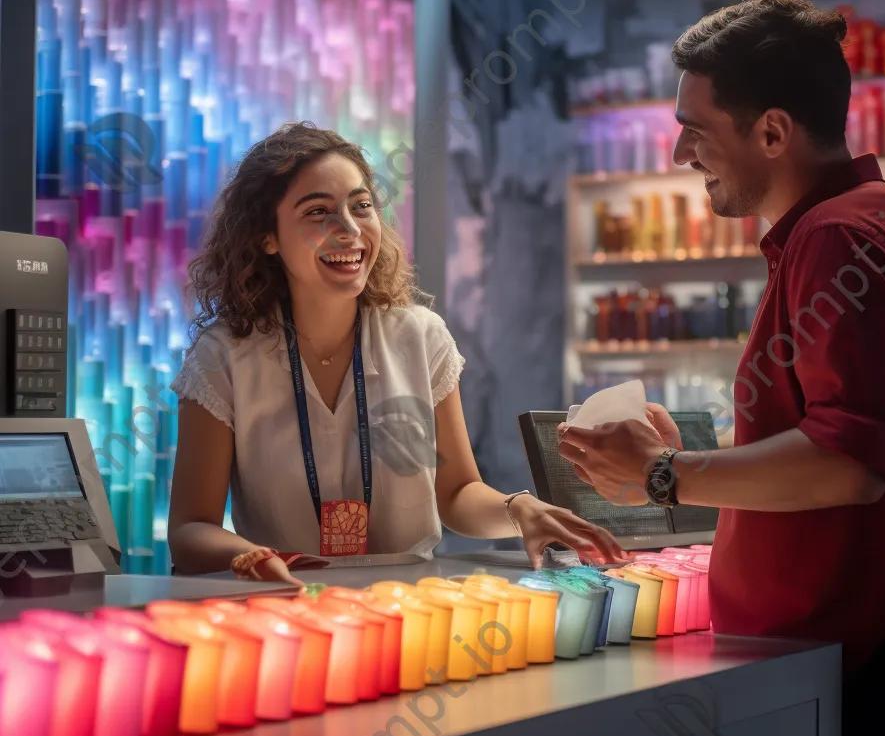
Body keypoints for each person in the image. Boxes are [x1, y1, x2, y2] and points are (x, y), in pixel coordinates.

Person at [558, 0, 885, 736]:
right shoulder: (865, 223)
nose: (679, 151)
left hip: (854, 671)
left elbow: (850, 462)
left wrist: (667, 473)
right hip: (855, 667)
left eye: (694, 127)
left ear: (775, 133)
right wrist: (684, 459)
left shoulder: (837, 238)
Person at [168, 122, 626, 584]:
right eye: (318, 212)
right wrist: (250, 558)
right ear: (267, 236)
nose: (348, 230)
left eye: (361, 206)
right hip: (288, 611)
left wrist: (517, 508)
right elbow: (191, 530)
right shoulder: (224, 357)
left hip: (409, 609)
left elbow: (458, 493)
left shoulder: (421, 338)